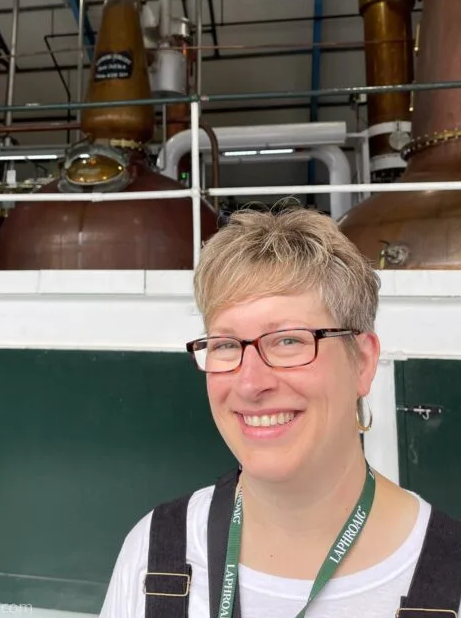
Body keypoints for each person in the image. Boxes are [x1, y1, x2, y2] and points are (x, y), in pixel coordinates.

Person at [99, 206, 461, 617]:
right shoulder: (153, 555)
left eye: (288, 341)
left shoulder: (449, 578)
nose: (251, 384)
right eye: (226, 345)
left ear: (361, 362)